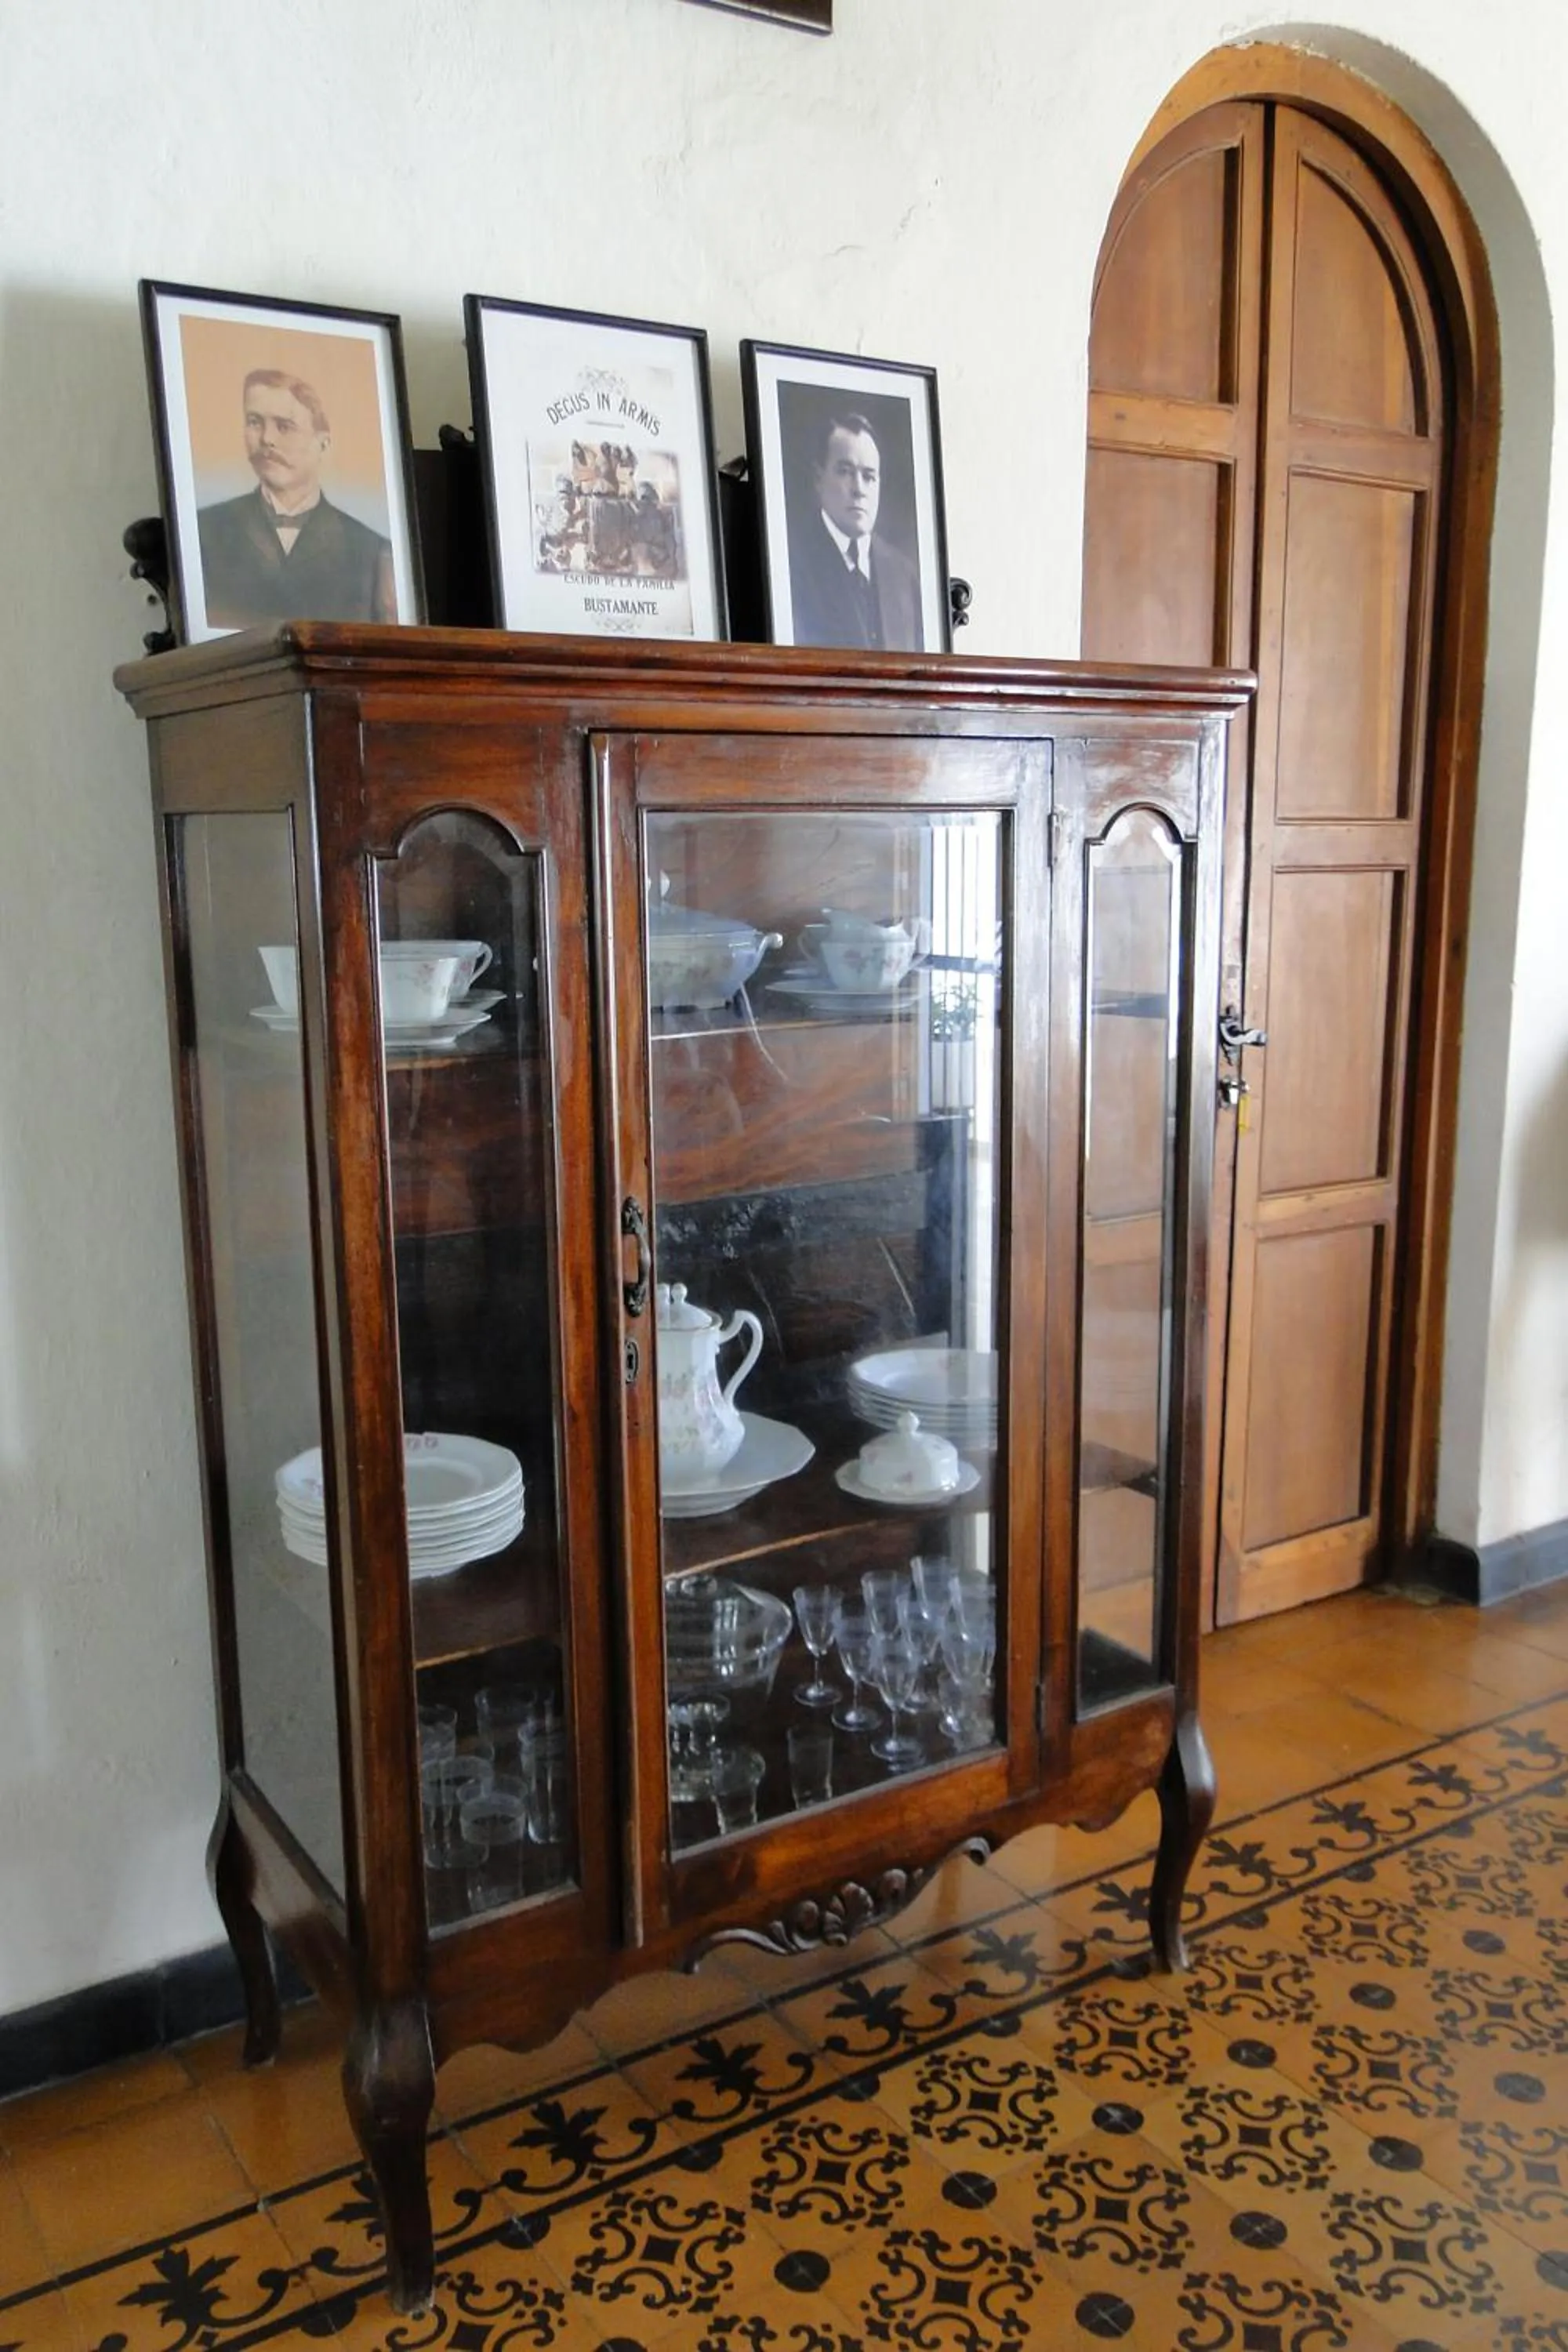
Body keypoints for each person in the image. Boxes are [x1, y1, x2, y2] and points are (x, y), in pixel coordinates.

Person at [196, 368, 397, 627]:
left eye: (284, 426)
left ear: (323, 443)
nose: (267, 439)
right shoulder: (204, 530)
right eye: (255, 422)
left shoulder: (370, 550)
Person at [784, 409, 924, 652]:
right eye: (845, 472)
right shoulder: (792, 564)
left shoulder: (903, 573)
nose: (859, 489)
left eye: (869, 477)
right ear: (819, 479)